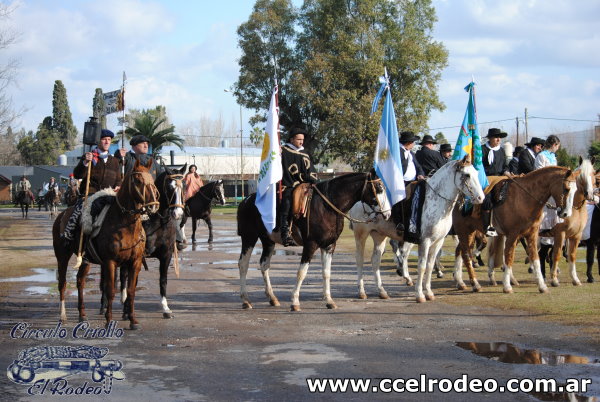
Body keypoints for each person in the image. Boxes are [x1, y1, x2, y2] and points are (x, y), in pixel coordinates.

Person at [61, 129, 125, 244]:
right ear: (98, 141)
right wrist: (85, 162)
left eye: (109, 140)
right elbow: (77, 174)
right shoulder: (89, 157)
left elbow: (119, 179)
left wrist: (119, 186)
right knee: (79, 210)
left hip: (110, 194)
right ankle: (69, 234)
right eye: (104, 139)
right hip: (91, 194)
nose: (107, 142)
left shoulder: (115, 161)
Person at [279, 126, 318, 246]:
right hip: (288, 185)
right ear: (291, 140)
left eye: (302, 139)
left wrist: (312, 180)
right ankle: (285, 232)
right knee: (287, 202)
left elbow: (311, 171)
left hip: (305, 185)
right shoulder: (284, 151)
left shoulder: (305, 153)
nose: (301, 142)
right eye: (298, 139)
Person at [534, 135, 561, 278]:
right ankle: (542, 268)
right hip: (545, 193)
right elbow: (539, 174)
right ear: (554, 144)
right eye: (558, 145)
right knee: (546, 236)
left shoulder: (553, 156)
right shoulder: (541, 156)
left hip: (554, 192)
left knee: (555, 236)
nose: (558, 148)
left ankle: (553, 266)